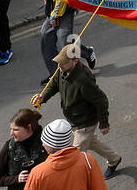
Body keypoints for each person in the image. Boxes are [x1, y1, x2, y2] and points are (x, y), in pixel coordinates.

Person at [32, 47, 123, 178]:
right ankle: (114, 159)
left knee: (73, 157)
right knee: (91, 142)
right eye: (59, 62)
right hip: (74, 120)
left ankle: (72, 183)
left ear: (75, 61)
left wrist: (104, 123)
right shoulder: (62, 69)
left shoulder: (84, 81)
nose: (59, 65)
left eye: (63, 62)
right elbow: (54, 84)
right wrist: (42, 97)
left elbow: (101, 100)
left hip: (85, 123)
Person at [14, 118, 109, 190]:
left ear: (51, 145)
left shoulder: (38, 173)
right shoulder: (87, 160)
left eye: (44, 141)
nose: (42, 144)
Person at [0, 108, 48, 190]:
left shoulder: (46, 143)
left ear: (29, 128)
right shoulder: (9, 147)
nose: (11, 133)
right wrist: (17, 178)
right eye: (11, 129)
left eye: (15, 129)